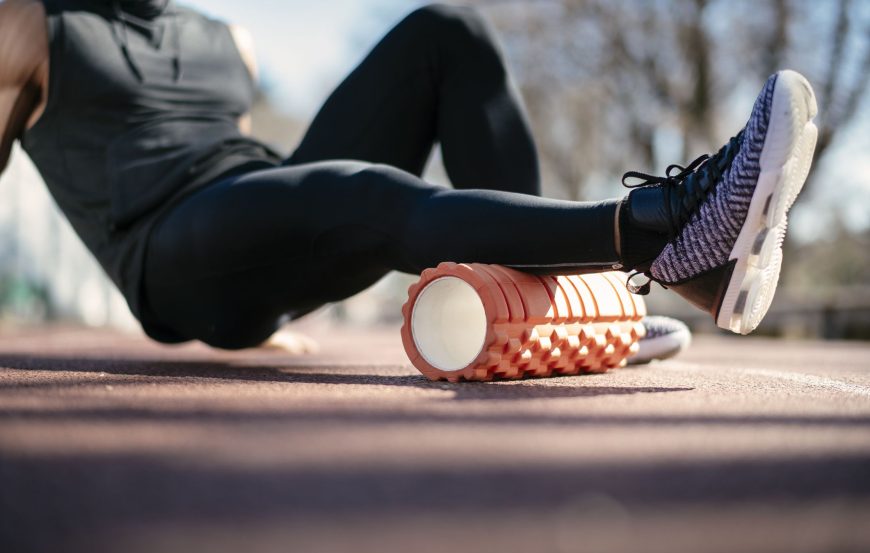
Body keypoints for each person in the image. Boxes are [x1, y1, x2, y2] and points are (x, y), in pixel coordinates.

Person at [0, 0, 818, 350]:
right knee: (357, 191)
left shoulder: (224, 38)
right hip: (168, 253)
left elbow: (258, 182)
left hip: (255, 214)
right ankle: (657, 230)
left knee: (445, 29)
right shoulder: (28, 23)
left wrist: (275, 286)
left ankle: (566, 305)